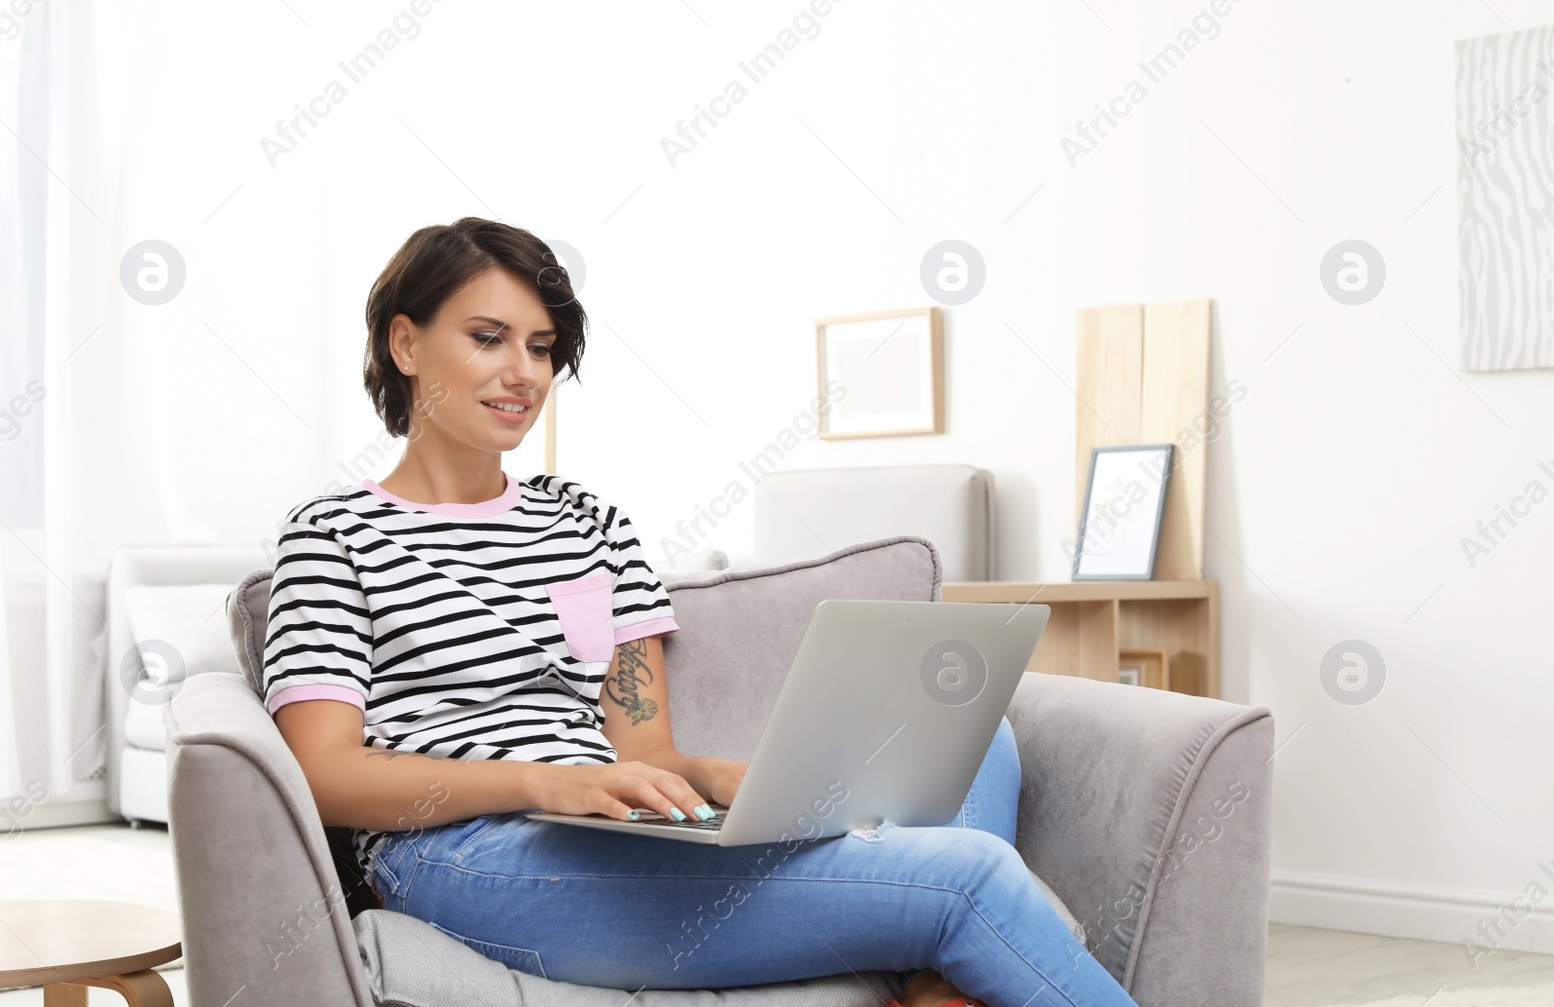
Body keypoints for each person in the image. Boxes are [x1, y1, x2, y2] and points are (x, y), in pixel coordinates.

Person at [262, 218, 1138, 1007]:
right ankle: (942, 958)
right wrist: (542, 782)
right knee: (970, 875)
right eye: (488, 338)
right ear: (406, 343)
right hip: (465, 855)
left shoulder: (590, 525)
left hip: (608, 824)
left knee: (978, 738)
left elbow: (643, 748)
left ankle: (935, 981)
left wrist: (742, 781)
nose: (524, 372)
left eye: (541, 346)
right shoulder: (335, 535)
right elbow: (325, 772)